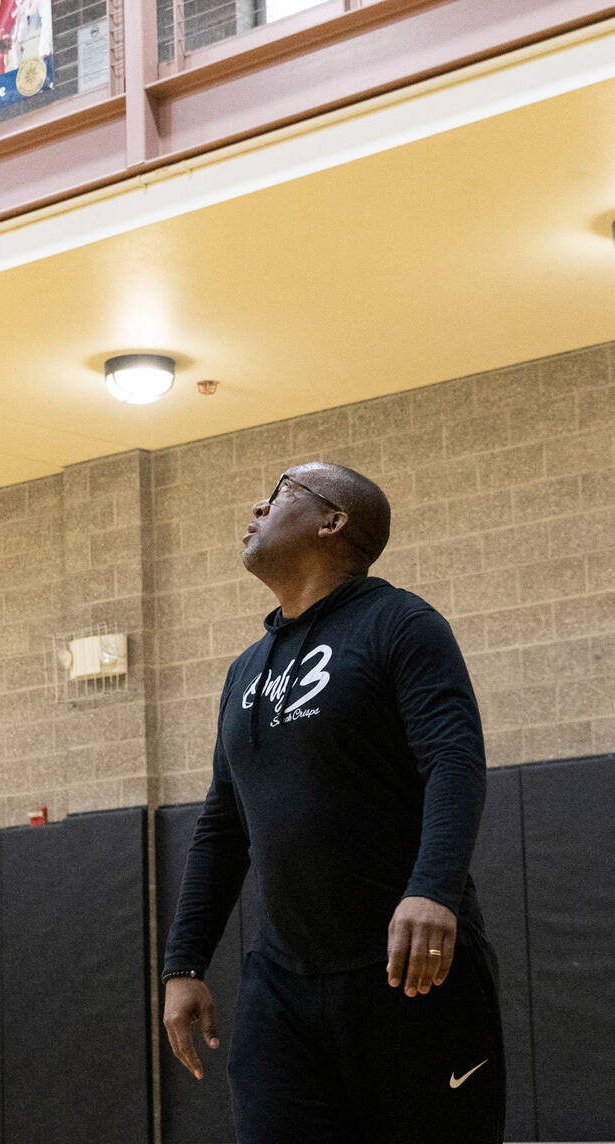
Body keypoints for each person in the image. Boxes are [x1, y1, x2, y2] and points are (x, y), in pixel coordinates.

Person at [162, 463, 504, 1144]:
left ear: (332, 521)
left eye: (280, 495)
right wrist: (183, 963)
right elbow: (221, 827)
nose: (256, 505)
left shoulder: (401, 625)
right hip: (282, 984)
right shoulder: (244, 669)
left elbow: (453, 760)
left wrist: (431, 890)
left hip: (410, 971)